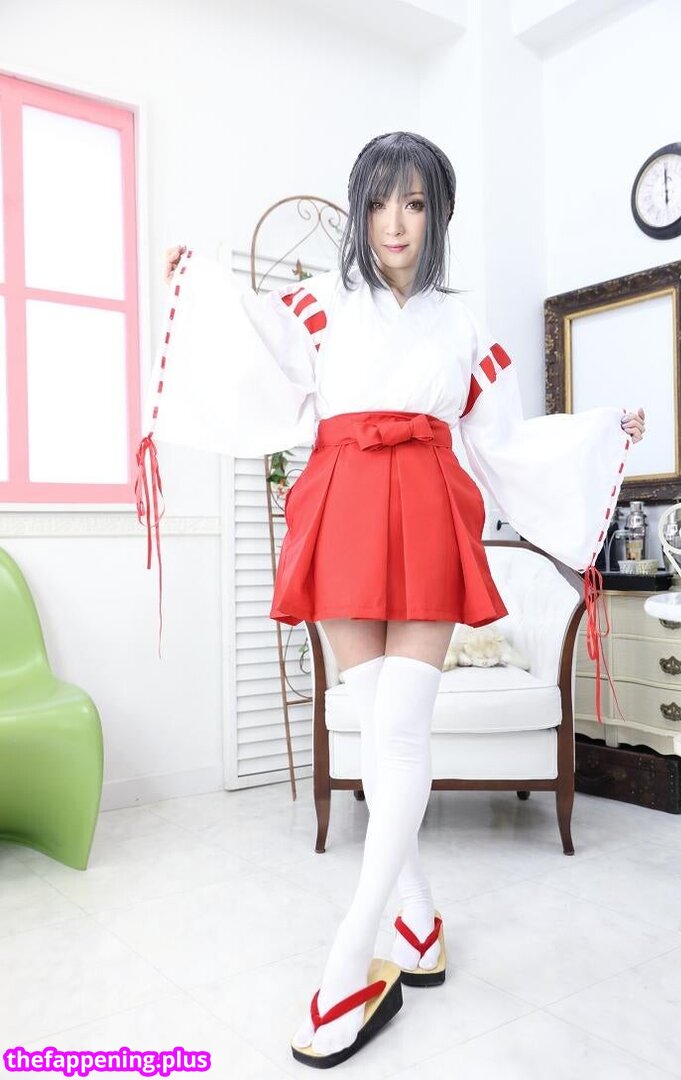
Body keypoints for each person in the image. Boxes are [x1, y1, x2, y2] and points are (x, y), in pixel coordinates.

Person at [148, 131, 646, 1069]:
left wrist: (601, 433)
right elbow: (253, 348)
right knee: (379, 730)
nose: (394, 223)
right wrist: (198, 284)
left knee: (402, 733)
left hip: (425, 511)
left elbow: (506, 440)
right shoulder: (320, 303)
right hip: (341, 505)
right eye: (379, 202)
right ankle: (417, 919)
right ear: (359, 210)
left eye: (415, 203)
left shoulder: (464, 328)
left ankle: (349, 958)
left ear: (438, 214)